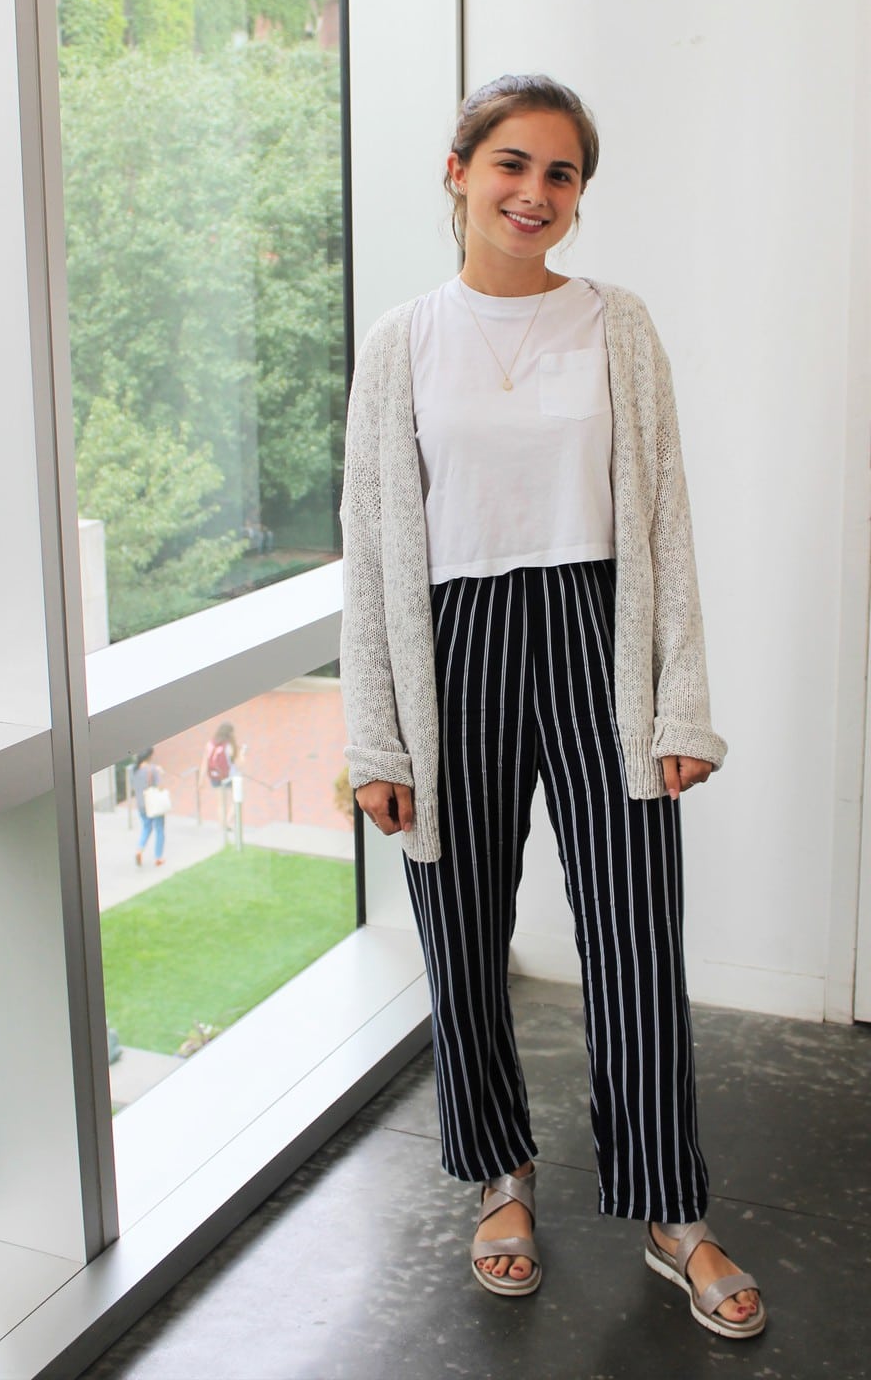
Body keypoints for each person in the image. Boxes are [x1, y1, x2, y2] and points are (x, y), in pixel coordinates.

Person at [339, 74, 765, 1338]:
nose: (534, 193)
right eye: (511, 164)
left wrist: (679, 703)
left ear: (580, 196)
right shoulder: (402, 340)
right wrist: (378, 736)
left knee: (634, 932)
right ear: (458, 170)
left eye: (561, 174)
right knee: (458, 928)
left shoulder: (617, 326)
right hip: (450, 646)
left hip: (596, 633)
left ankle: (671, 1213)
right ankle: (498, 1180)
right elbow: (370, 552)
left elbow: (664, 522)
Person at [131, 746, 166, 867]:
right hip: (153, 804)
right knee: (159, 829)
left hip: (141, 804)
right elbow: (160, 787)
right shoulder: (153, 770)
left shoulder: (133, 770)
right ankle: (158, 857)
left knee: (147, 827)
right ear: (150, 756)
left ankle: (139, 850)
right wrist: (160, 773)